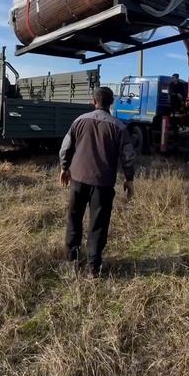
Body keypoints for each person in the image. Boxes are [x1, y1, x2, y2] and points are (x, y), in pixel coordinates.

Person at [59, 86, 135, 277]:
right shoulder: (119, 126)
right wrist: (129, 178)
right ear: (112, 103)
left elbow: (65, 147)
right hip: (103, 184)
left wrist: (64, 168)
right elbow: (128, 156)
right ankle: (94, 267)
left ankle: (72, 261)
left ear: (94, 101)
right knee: (98, 224)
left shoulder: (79, 121)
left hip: (77, 179)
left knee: (74, 219)